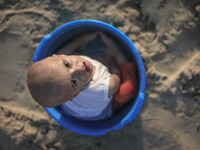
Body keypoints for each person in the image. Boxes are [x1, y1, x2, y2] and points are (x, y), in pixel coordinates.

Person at [27, 31, 137, 121]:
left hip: (73, 111)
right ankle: (117, 52)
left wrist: (82, 39)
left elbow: (64, 52)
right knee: (127, 90)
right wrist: (112, 64)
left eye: (67, 64)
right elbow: (116, 77)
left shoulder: (63, 83)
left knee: (59, 91)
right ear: (75, 94)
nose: (78, 69)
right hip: (102, 112)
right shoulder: (104, 86)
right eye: (74, 81)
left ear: (60, 55)